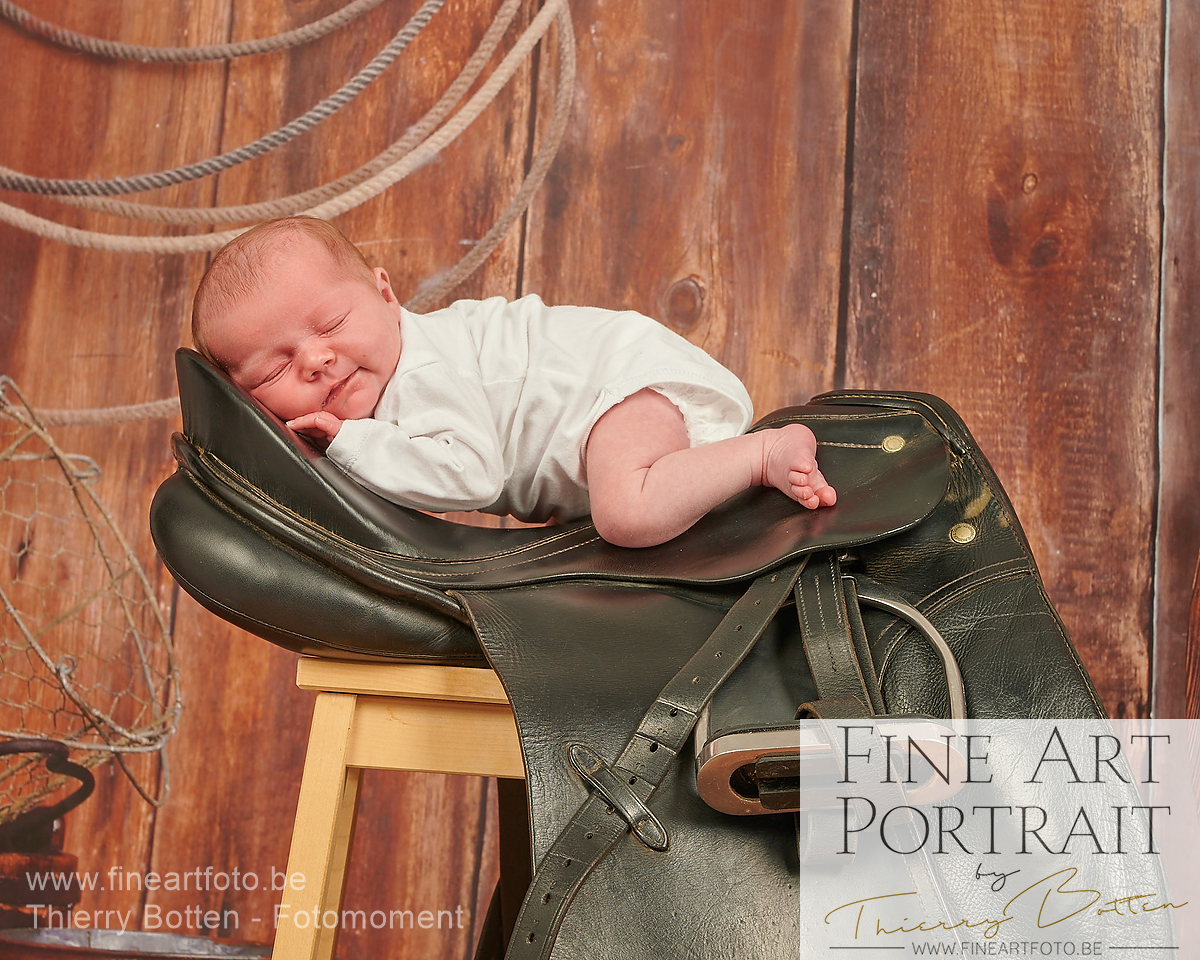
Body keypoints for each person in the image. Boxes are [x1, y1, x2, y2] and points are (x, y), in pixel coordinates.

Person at [191, 216, 836, 548]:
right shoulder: (380, 390)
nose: (315, 361)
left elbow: (473, 475)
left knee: (627, 512)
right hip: (592, 428)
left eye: (332, 323)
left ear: (386, 295)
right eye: (275, 369)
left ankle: (761, 454)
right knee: (602, 534)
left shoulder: (422, 369)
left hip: (615, 386)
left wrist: (348, 443)